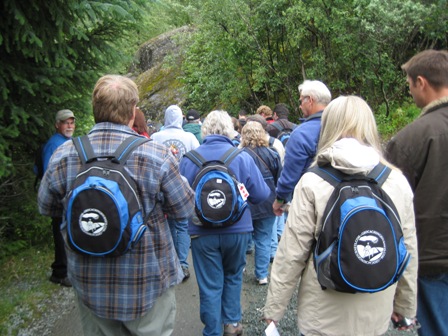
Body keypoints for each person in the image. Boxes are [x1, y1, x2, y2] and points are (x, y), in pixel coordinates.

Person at [38, 75, 194, 335]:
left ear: (94, 109)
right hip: (147, 282)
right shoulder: (154, 153)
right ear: (133, 111)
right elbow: (184, 209)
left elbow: (47, 207)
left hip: (90, 283)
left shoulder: (64, 154)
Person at [263, 95, 418, 336]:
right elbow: (407, 249)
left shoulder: (313, 181)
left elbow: (291, 253)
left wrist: (274, 310)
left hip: (321, 315)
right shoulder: (396, 180)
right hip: (375, 312)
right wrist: (405, 306)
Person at [180, 110, 270, 336]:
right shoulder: (241, 157)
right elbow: (261, 195)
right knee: (233, 275)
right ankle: (231, 323)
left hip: (201, 232)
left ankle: (212, 331)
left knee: (210, 284)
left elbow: (179, 200)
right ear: (230, 130)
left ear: (205, 130)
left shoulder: (189, 159)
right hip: (238, 230)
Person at [385, 49, 448, 336]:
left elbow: (389, 204)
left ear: (421, 82)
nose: (410, 91)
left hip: (432, 258)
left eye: (409, 84)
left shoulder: (411, 138)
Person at [152, 104, 200, 280]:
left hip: (160, 188)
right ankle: (182, 264)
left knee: (166, 224)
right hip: (182, 186)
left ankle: (169, 263)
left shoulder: (155, 137)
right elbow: (198, 159)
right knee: (182, 225)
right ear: (181, 118)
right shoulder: (189, 138)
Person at [273, 80, 331, 216]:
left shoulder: (302, 133)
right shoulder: (345, 128)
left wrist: (279, 199)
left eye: (301, 101)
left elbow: (290, 175)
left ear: (310, 100)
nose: (300, 106)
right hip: (343, 200)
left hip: (310, 205)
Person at [240, 121, 282, 285]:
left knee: (243, 237)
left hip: (246, 203)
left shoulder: (239, 155)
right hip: (268, 201)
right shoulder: (272, 154)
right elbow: (280, 179)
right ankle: (262, 274)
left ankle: (240, 267)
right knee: (264, 239)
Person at [41, 109, 76, 287]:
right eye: (65, 122)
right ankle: (60, 273)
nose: (69, 125)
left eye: (71, 122)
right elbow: (49, 174)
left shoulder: (68, 141)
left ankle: (65, 269)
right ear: (57, 124)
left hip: (67, 197)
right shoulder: (54, 144)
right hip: (59, 198)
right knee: (61, 234)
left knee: (66, 233)